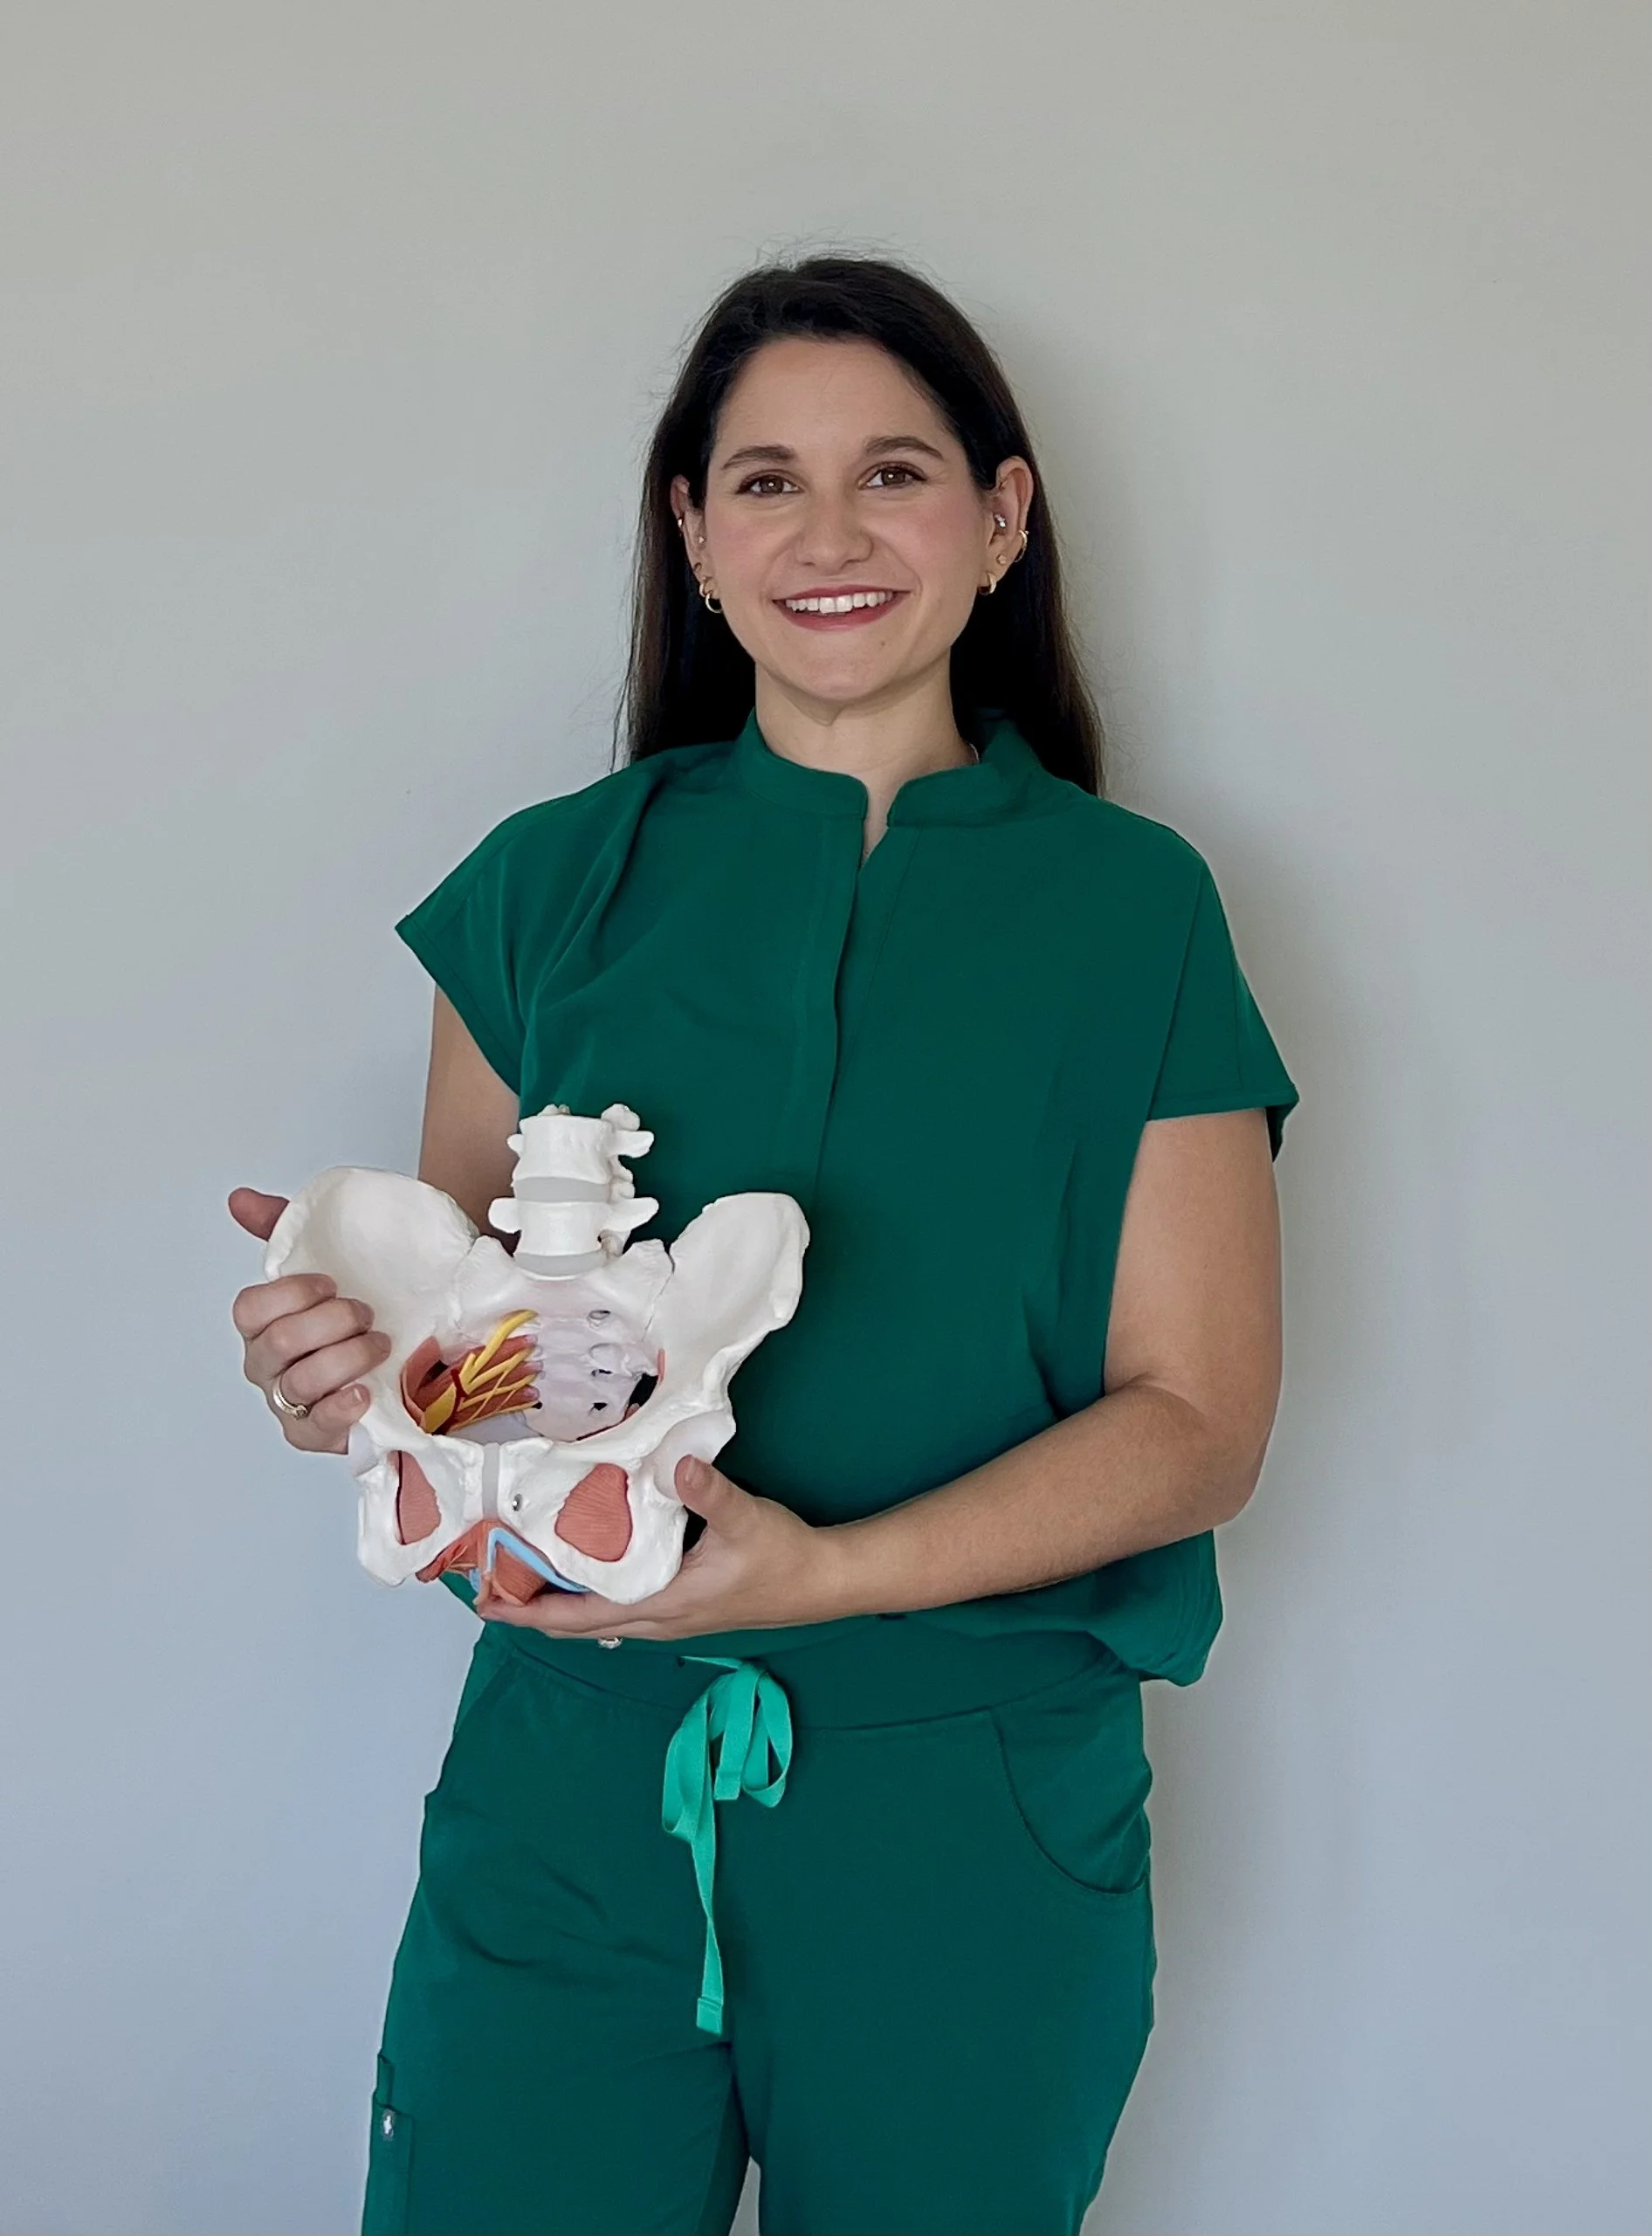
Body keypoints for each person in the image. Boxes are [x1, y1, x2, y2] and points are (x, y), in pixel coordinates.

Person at [230, 253, 1299, 2236]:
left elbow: (1197, 1417)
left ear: (1000, 515)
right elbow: (465, 1369)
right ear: (692, 538)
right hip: (569, 1792)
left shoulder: (1132, 913)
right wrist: (343, 1375)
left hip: (966, 1810)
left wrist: (828, 1575)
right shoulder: (545, 891)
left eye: (894, 472)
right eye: (763, 481)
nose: (828, 533)